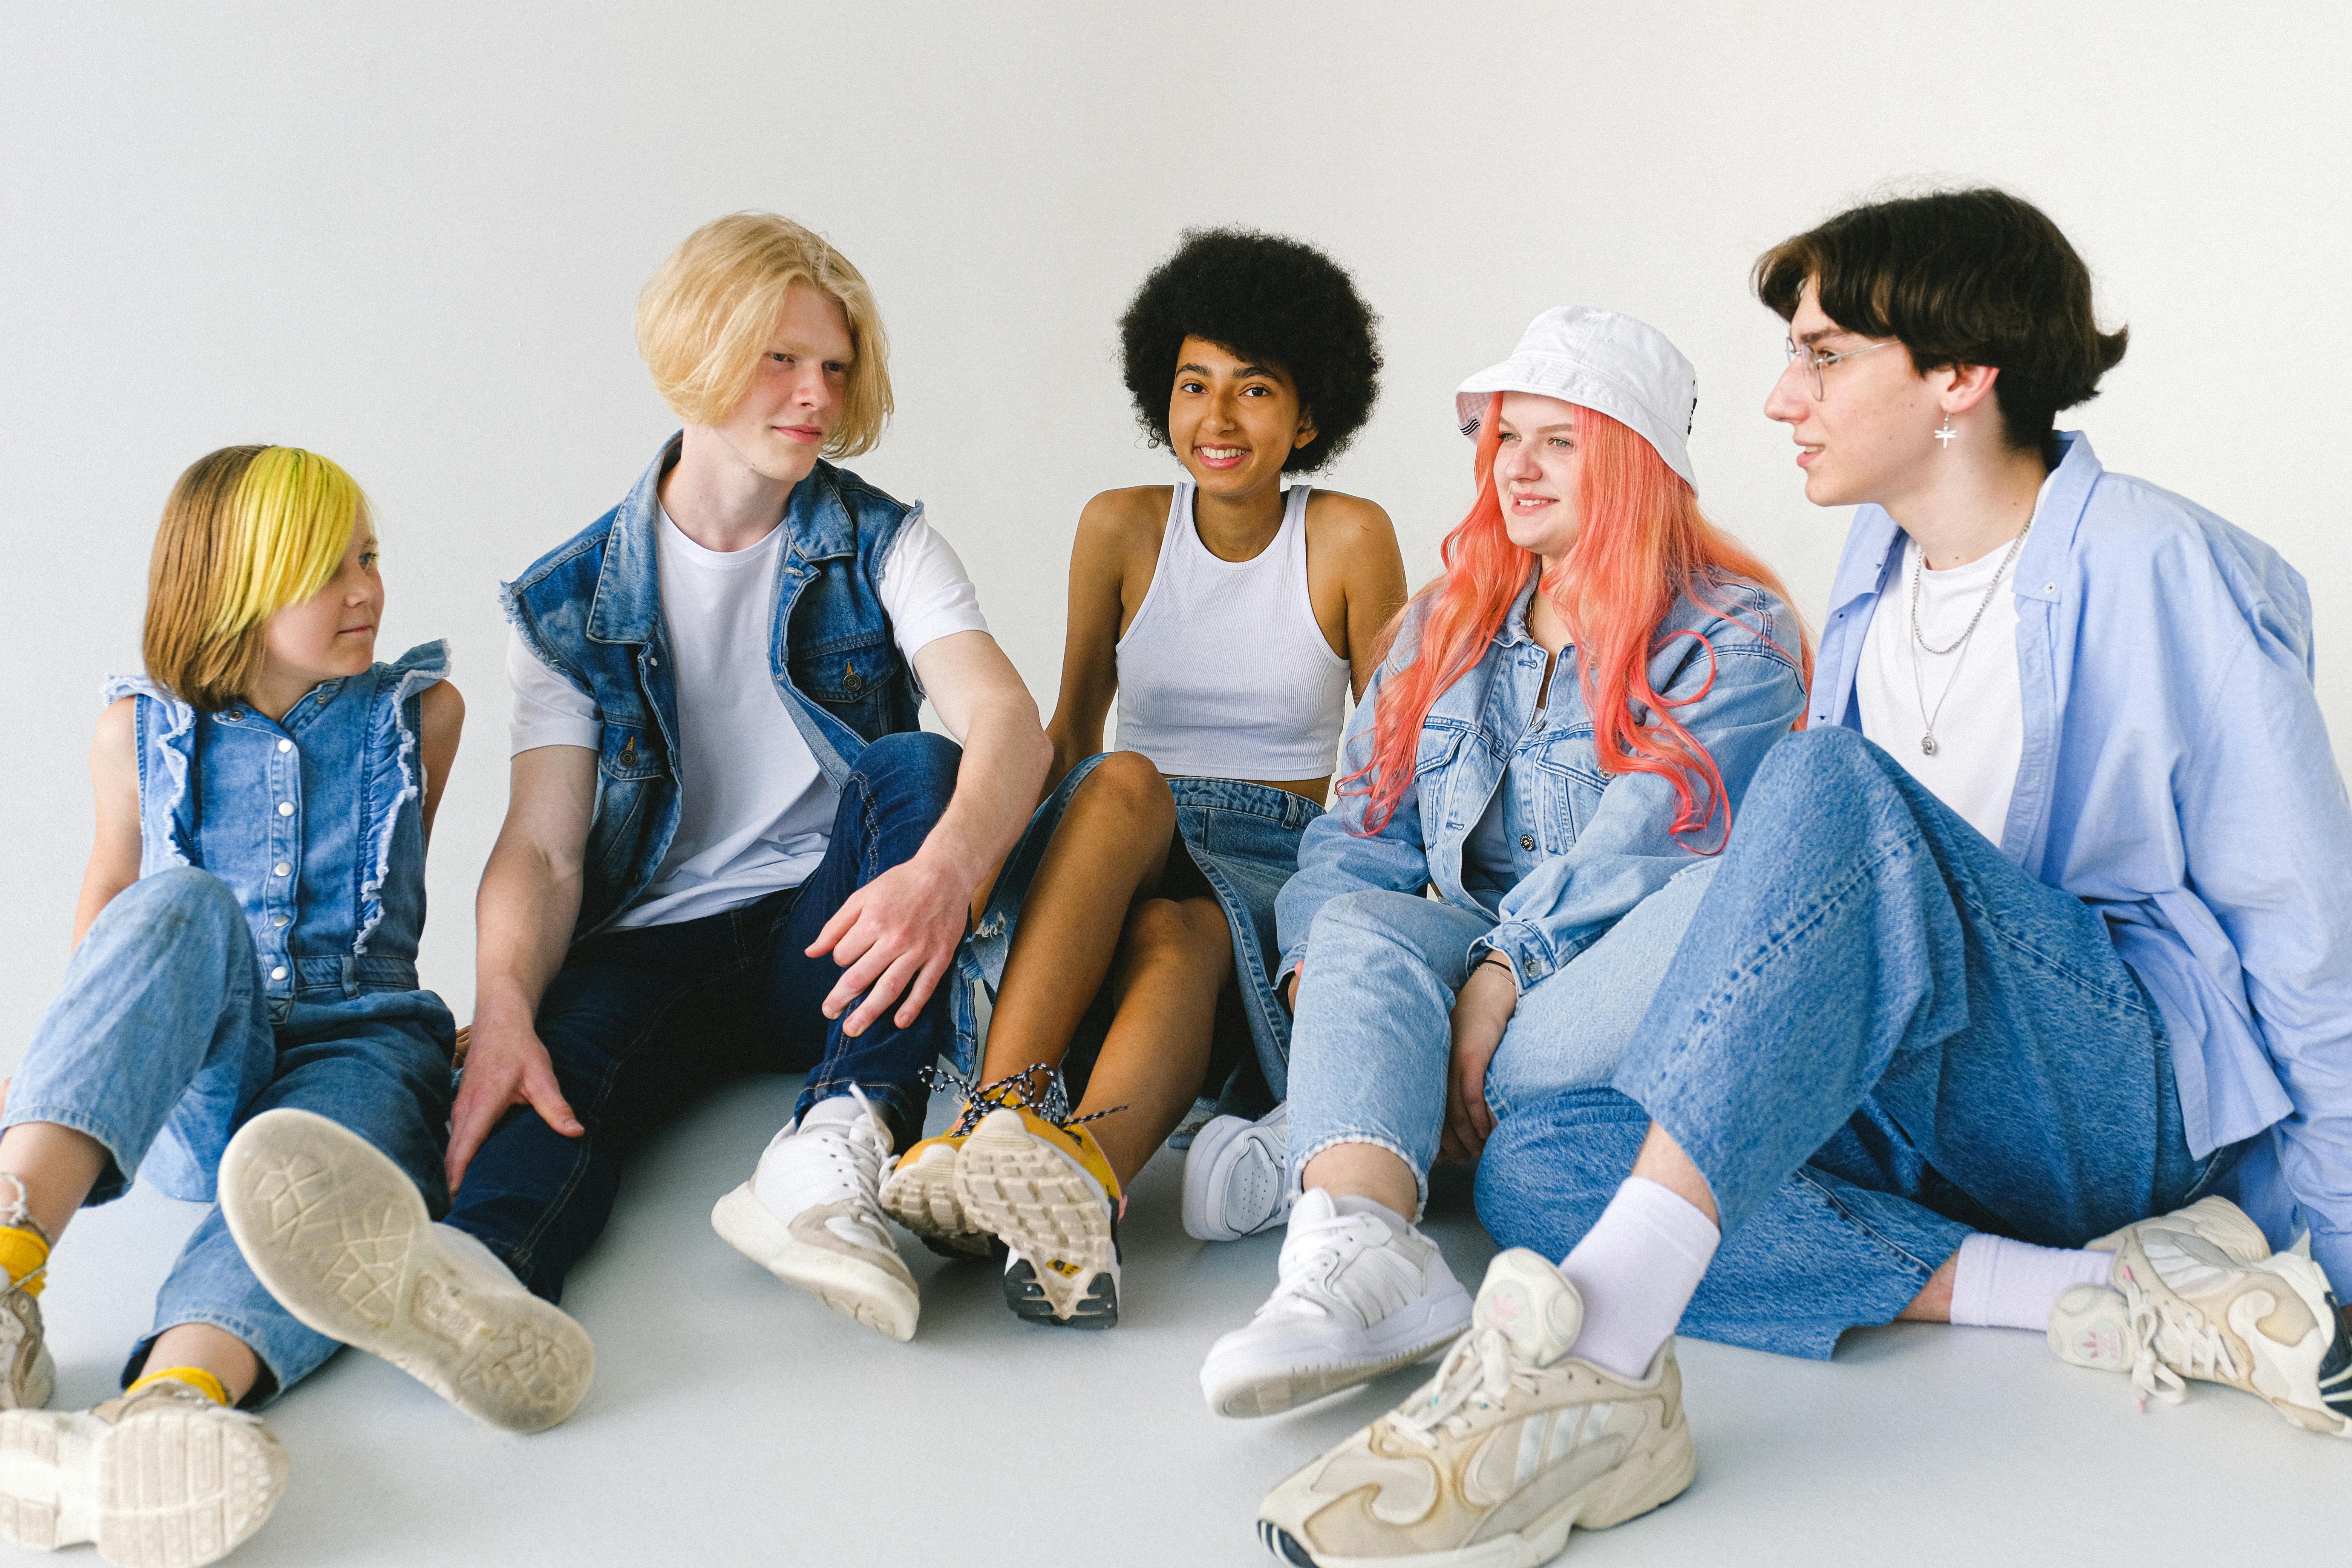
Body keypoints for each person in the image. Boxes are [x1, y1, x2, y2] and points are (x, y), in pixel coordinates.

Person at [1254, 190, 2352, 1568]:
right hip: (1935, 1090)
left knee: (1817, 781)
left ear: (1961, 376)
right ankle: (2109, 1290)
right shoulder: (1879, 572)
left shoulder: (2155, 562)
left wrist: (2339, 1257)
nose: (1783, 397)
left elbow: (2314, 940)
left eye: (1825, 355)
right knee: (1540, 1165)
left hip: (2105, 1084)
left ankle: (1593, 1362)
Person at [297, 213, 1043, 1361]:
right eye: (779, 359)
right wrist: (501, 1003)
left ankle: (835, 1144)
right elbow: (543, 853)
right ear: (699, 355)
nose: (815, 396)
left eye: (835, 367)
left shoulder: (882, 544)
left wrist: (946, 871)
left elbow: (1006, 725)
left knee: (921, 766)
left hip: (832, 928)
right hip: (653, 940)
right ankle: (474, 1302)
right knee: (542, 1086)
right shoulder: (566, 602)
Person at [1195, 307, 1810, 1421]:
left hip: (1628, 975)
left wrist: (1498, 976)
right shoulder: (1449, 625)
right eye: (1506, 437)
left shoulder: (1734, 636)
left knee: (1523, 1084)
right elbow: (1356, 834)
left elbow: (1646, 856)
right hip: (1478, 956)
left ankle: (1347, 1119)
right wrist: (1315, 983)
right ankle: (1365, 1253)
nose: (1516, 468)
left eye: (1559, 441)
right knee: (1359, 932)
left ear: (1633, 462)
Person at [0, 446, 536, 1568]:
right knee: (176, 899)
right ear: (230, 586)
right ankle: (7, 1273)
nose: (366, 591)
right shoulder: (132, 733)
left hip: (364, 1045)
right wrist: (62, 1058)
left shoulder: (420, 714)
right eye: (323, 569)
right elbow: (111, 905)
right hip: (202, 1066)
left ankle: (167, 1412)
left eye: (370, 558)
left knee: (318, 1186)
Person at [877, 228, 1405, 1328]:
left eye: (1255, 391)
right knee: (1122, 777)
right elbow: (1067, 728)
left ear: (1310, 417)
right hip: (1122, 829)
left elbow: (1395, 758)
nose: (1217, 420)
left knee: (1187, 939)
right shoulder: (1121, 527)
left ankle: (1079, 1189)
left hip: (1268, 857)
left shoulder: (1350, 537)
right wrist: (993, 880)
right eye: (1194, 386)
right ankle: (999, 1115)